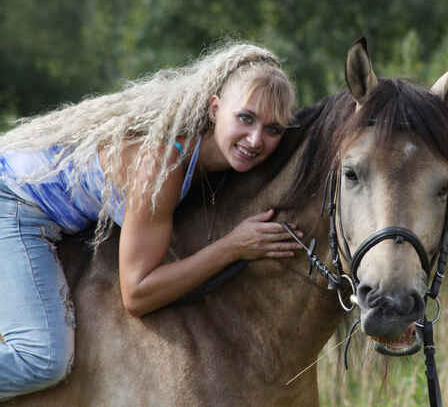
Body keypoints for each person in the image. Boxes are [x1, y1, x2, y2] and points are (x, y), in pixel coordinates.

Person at [0, 41, 305, 399]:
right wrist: (233, 247)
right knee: (42, 359)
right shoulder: (163, 164)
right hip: (11, 203)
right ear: (214, 109)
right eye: (246, 118)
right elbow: (138, 292)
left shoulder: (198, 156)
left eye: (273, 129)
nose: (256, 140)